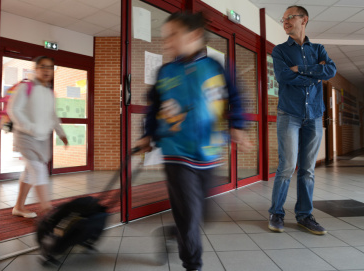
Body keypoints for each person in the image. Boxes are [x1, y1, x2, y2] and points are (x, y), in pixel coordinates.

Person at [135, 12, 250, 271]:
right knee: (189, 213)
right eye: (166, 37)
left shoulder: (216, 68)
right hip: (175, 152)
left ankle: (174, 233)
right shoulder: (165, 72)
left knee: (203, 215)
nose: (167, 42)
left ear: (195, 35)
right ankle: (192, 264)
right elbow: (153, 107)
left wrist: (238, 126)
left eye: (173, 35)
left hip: (208, 152)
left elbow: (236, 97)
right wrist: (146, 134)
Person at [268, 5, 336, 235]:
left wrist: (303, 69)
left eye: (289, 17)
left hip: (315, 115)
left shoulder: (318, 49)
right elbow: (283, 76)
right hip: (290, 114)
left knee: (307, 170)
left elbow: (331, 71)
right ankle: (276, 213)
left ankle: (304, 216)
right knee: (287, 166)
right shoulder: (279, 51)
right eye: (283, 18)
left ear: (304, 19)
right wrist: (315, 75)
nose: (285, 22)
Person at [8, 56, 68, 218]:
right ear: (36, 69)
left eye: (50, 67)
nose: (47, 70)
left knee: (30, 171)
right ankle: (47, 209)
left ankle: (19, 207)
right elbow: (14, 110)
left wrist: (61, 133)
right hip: (25, 137)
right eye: (43, 67)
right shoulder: (26, 87)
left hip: (42, 138)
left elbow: (52, 115)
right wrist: (30, 127)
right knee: (39, 170)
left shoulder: (50, 92)